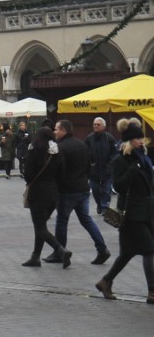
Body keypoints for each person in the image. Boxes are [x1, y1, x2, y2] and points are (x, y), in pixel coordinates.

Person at [94, 119, 154, 304]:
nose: (141, 141)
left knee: (127, 253)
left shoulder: (144, 158)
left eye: (141, 138)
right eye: (137, 139)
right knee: (149, 250)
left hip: (147, 212)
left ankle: (105, 281)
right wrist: (132, 170)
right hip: (131, 214)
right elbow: (118, 186)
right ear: (129, 142)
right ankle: (152, 292)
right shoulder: (120, 160)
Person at [47, 120, 110, 266]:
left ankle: (60, 252)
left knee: (62, 221)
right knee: (86, 219)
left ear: (63, 130)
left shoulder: (60, 147)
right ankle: (102, 249)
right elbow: (89, 166)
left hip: (67, 191)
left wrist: (58, 186)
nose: (54, 132)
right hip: (82, 188)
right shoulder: (82, 144)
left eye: (56, 129)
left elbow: (59, 171)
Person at [21, 126, 72, 268]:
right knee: (41, 226)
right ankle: (35, 257)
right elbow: (62, 174)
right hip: (53, 193)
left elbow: (28, 173)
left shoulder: (34, 148)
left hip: (37, 192)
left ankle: (61, 250)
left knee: (40, 227)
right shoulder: (57, 151)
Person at [85, 117, 119, 214]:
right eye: (94, 124)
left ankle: (104, 207)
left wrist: (110, 163)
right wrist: (90, 163)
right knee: (95, 190)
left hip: (107, 170)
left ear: (103, 126)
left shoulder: (109, 137)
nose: (95, 126)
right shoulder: (89, 138)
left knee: (106, 190)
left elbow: (115, 152)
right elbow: (85, 151)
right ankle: (99, 204)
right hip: (93, 171)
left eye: (98, 124)